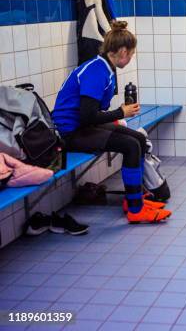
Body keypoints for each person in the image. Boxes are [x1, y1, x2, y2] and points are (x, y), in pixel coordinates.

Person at [52, 21, 172, 224]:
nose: (131, 58)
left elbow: (93, 113)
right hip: (70, 132)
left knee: (138, 139)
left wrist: (119, 115)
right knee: (130, 145)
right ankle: (135, 210)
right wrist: (120, 112)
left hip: (83, 126)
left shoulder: (104, 67)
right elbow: (87, 116)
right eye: (132, 54)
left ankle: (135, 199)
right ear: (123, 51)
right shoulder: (96, 72)